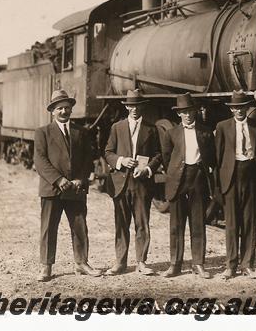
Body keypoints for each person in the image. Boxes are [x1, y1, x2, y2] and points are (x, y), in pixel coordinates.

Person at [33, 90, 101, 281]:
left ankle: (81, 263)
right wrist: (59, 180)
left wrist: (81, 178)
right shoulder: (42, 132)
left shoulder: (82, 132)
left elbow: (88, 158)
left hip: (76, 188)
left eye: (67, 108)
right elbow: (40, 161)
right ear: (53, 111)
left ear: (71, 109)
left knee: (79, 226)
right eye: (60, 108)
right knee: (48, 228)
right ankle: (46, 267)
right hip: (52, 188)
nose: (64, 111)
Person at [103, 89, 162, 277]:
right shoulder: (117, 127)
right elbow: (108, 152)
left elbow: (158, 155)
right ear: (126, 107)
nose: (134, 109)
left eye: (138, 105)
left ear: (142, 107)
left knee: (142, 223)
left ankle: (141, 262)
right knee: (121, 223)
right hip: (121, 183)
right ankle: (120, 262)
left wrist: (148, 169)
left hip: (141, 183)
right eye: (131, 105)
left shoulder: (151, 129)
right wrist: (121, 161)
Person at [160, 93, 217, 279]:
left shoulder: (206, 131)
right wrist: (175, 174)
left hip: (198, 180)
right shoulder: (171, 133)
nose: (188, 115)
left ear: (195, 111)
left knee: (198, 224)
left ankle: (198, 264)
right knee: (176, 225)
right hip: (178, 182)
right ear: (179, 114)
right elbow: (166, 158)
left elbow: (212, 158)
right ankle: (175, 264)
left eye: (190, 111)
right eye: (184, 112)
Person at [215, 91, 256, 279]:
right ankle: (230, 265)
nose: (239, 110)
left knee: (250, 222)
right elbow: (218, 158)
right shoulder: (222, 127)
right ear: (231, 110)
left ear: (247, 108)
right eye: (235, 108)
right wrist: (218, 186)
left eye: (242, 107)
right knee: (231, 223)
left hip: (251, 177)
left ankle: (247, 264)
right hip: (231, 177)